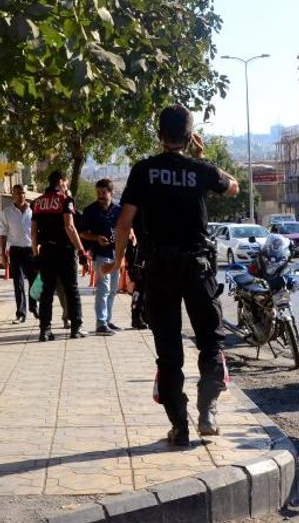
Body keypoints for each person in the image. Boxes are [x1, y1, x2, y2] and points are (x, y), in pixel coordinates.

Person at [105, 104, 239, 447]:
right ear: (190, 132)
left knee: (169, 351)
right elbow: (234, 187)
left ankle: (179, 427)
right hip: (198, 269)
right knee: (210, 342)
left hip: (160, 270)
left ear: (159, 133)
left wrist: (117, 261)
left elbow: (124, 223)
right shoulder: (201, 169)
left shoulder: (144, 170)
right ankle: (207, 412)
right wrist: (200, 156)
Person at [31, 170, 90, 341]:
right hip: (65, 251)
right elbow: (69, 227)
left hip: (46, 251)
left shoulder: (37, 202)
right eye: (65, 182)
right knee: (71, 290)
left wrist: (35, 254)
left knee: (47, 291)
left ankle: (45, 330)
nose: (66, 185)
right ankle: (76, 328)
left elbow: (33, 233)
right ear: (61, 182)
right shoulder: (65, 200)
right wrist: (81, 250)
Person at [80, 178, 122, 336]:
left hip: (116, 255)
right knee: (103, 289)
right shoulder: (90, 210)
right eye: (98, 192)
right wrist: (97, 238)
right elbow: (83, 233)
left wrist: (129, 236)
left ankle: (108, 320)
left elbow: (125, 229)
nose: (100, 196)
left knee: (113, 290)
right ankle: (101, 323)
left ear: (111, 193)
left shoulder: (118, 210)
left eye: (103, 192)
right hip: (101, 255)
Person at [0, 185, 38, 324]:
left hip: (30, 250)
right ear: (13, 195)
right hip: (15, 250)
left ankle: (34, 308)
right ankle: (21, 313)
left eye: (22, 193)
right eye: (17, 193)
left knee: (34, 282)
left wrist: (37, 250)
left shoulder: (33, 210)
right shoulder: (6, 212)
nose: (21, 195)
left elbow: (37, 231)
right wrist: (3, 254)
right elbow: (3, 234)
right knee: (18, 283)